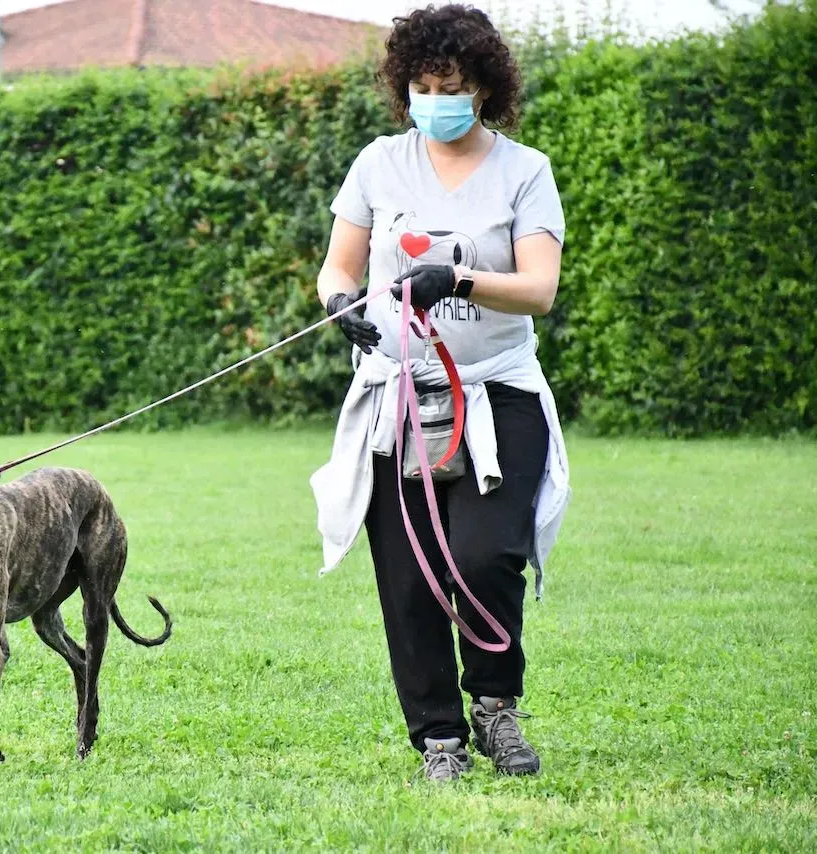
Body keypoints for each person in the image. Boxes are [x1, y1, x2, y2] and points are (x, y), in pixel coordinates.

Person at [310, 3, 572, 782]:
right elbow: (339, 267)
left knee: (485, 556)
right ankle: (440, 742)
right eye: (423, 85)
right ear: (405, 88)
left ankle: (496, 708)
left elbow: (540, 290)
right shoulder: (379, 163)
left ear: (484, 87)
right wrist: (338, 304)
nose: (436, 99)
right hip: (397, 396)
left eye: (451, 84)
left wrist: (457, 277)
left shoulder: (525, 172)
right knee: (411, 576)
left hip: (498, 395)